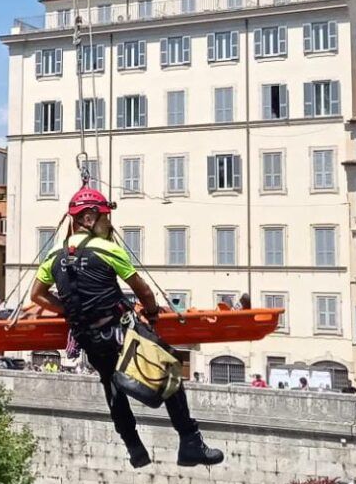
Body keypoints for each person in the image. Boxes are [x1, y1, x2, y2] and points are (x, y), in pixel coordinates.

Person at [30, 185, 223, 469]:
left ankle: (134, 448)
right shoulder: (109, 249)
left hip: (88, 337)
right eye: (106, 218)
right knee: (169, 368)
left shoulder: (53, 257)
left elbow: (37, 295)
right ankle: (190, 442)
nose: (110, 224)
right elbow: (143, 291)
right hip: (119, 330)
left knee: (112, 385)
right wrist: (153, 313)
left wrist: (72, 312)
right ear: (88, 218)